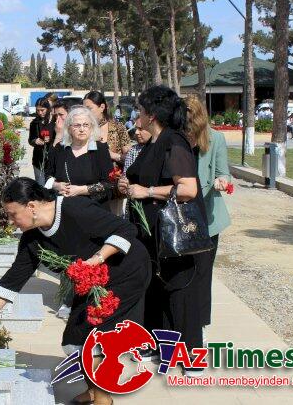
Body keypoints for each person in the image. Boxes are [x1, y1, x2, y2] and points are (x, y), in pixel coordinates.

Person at [0, 177, 150, 405]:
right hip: (91, 280)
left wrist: (97, 259)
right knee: (74, 339)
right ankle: (91, 391)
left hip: (126, 271)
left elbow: (126, 229)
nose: (11, 222)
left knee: (95, 339)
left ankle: (103, 400)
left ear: (31, 206)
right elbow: (11, 282)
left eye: (13, 215)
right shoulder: (33, 241)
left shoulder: (74, 209)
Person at [118, 85, 208, 375]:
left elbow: (188, 188)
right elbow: (140, 177)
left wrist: (147, 191)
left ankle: (193, 357)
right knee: (160, 291)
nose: (137, 116)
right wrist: (127, 186)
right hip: (153, 235)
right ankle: (167, 349)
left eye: (140, 111)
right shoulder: (154, 143)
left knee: (181, 294)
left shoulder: (173, 142)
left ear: (152, 115)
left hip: (174, 235)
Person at [44, 106, 116, 321]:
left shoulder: (100, 150)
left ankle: (95, 300)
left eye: (86, 125)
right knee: (69, 257)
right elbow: (46, 177)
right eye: (77, 125)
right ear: (69, 128)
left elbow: (109, 184)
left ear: (92, 127)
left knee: (93, 257)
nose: (82, 129)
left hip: (94, 212)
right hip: (66, 212)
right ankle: (68, 301)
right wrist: (57, 186)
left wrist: (82, 190)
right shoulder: (60, 150)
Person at [185, 95, 231, 336]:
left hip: (207, 218)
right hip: (180, 215)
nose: (190, 133)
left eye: (194, 129)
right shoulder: (176, 138)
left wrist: (222, 181)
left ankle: (199, 323)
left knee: (203, 273)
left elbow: (225, 172)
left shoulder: (216, 139)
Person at [83, 91, 131, 165]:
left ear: (102, 107)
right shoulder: (82, 129)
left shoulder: (118, 127)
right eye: (84, 109)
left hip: (113, 174)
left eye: (89, 109)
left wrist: (112, 155)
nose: (86, 113)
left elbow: (130, 158)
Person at [28, 97, 55, 185]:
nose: (40, 113)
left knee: (52, 186)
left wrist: (51, 140)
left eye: (42, 110)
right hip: (38, 160)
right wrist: (35, 141)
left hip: (53, 160)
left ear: (48, 109)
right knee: (41, 186)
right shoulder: (34, 123)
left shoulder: (55, 122)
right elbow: (30, 139)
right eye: (38, 110)